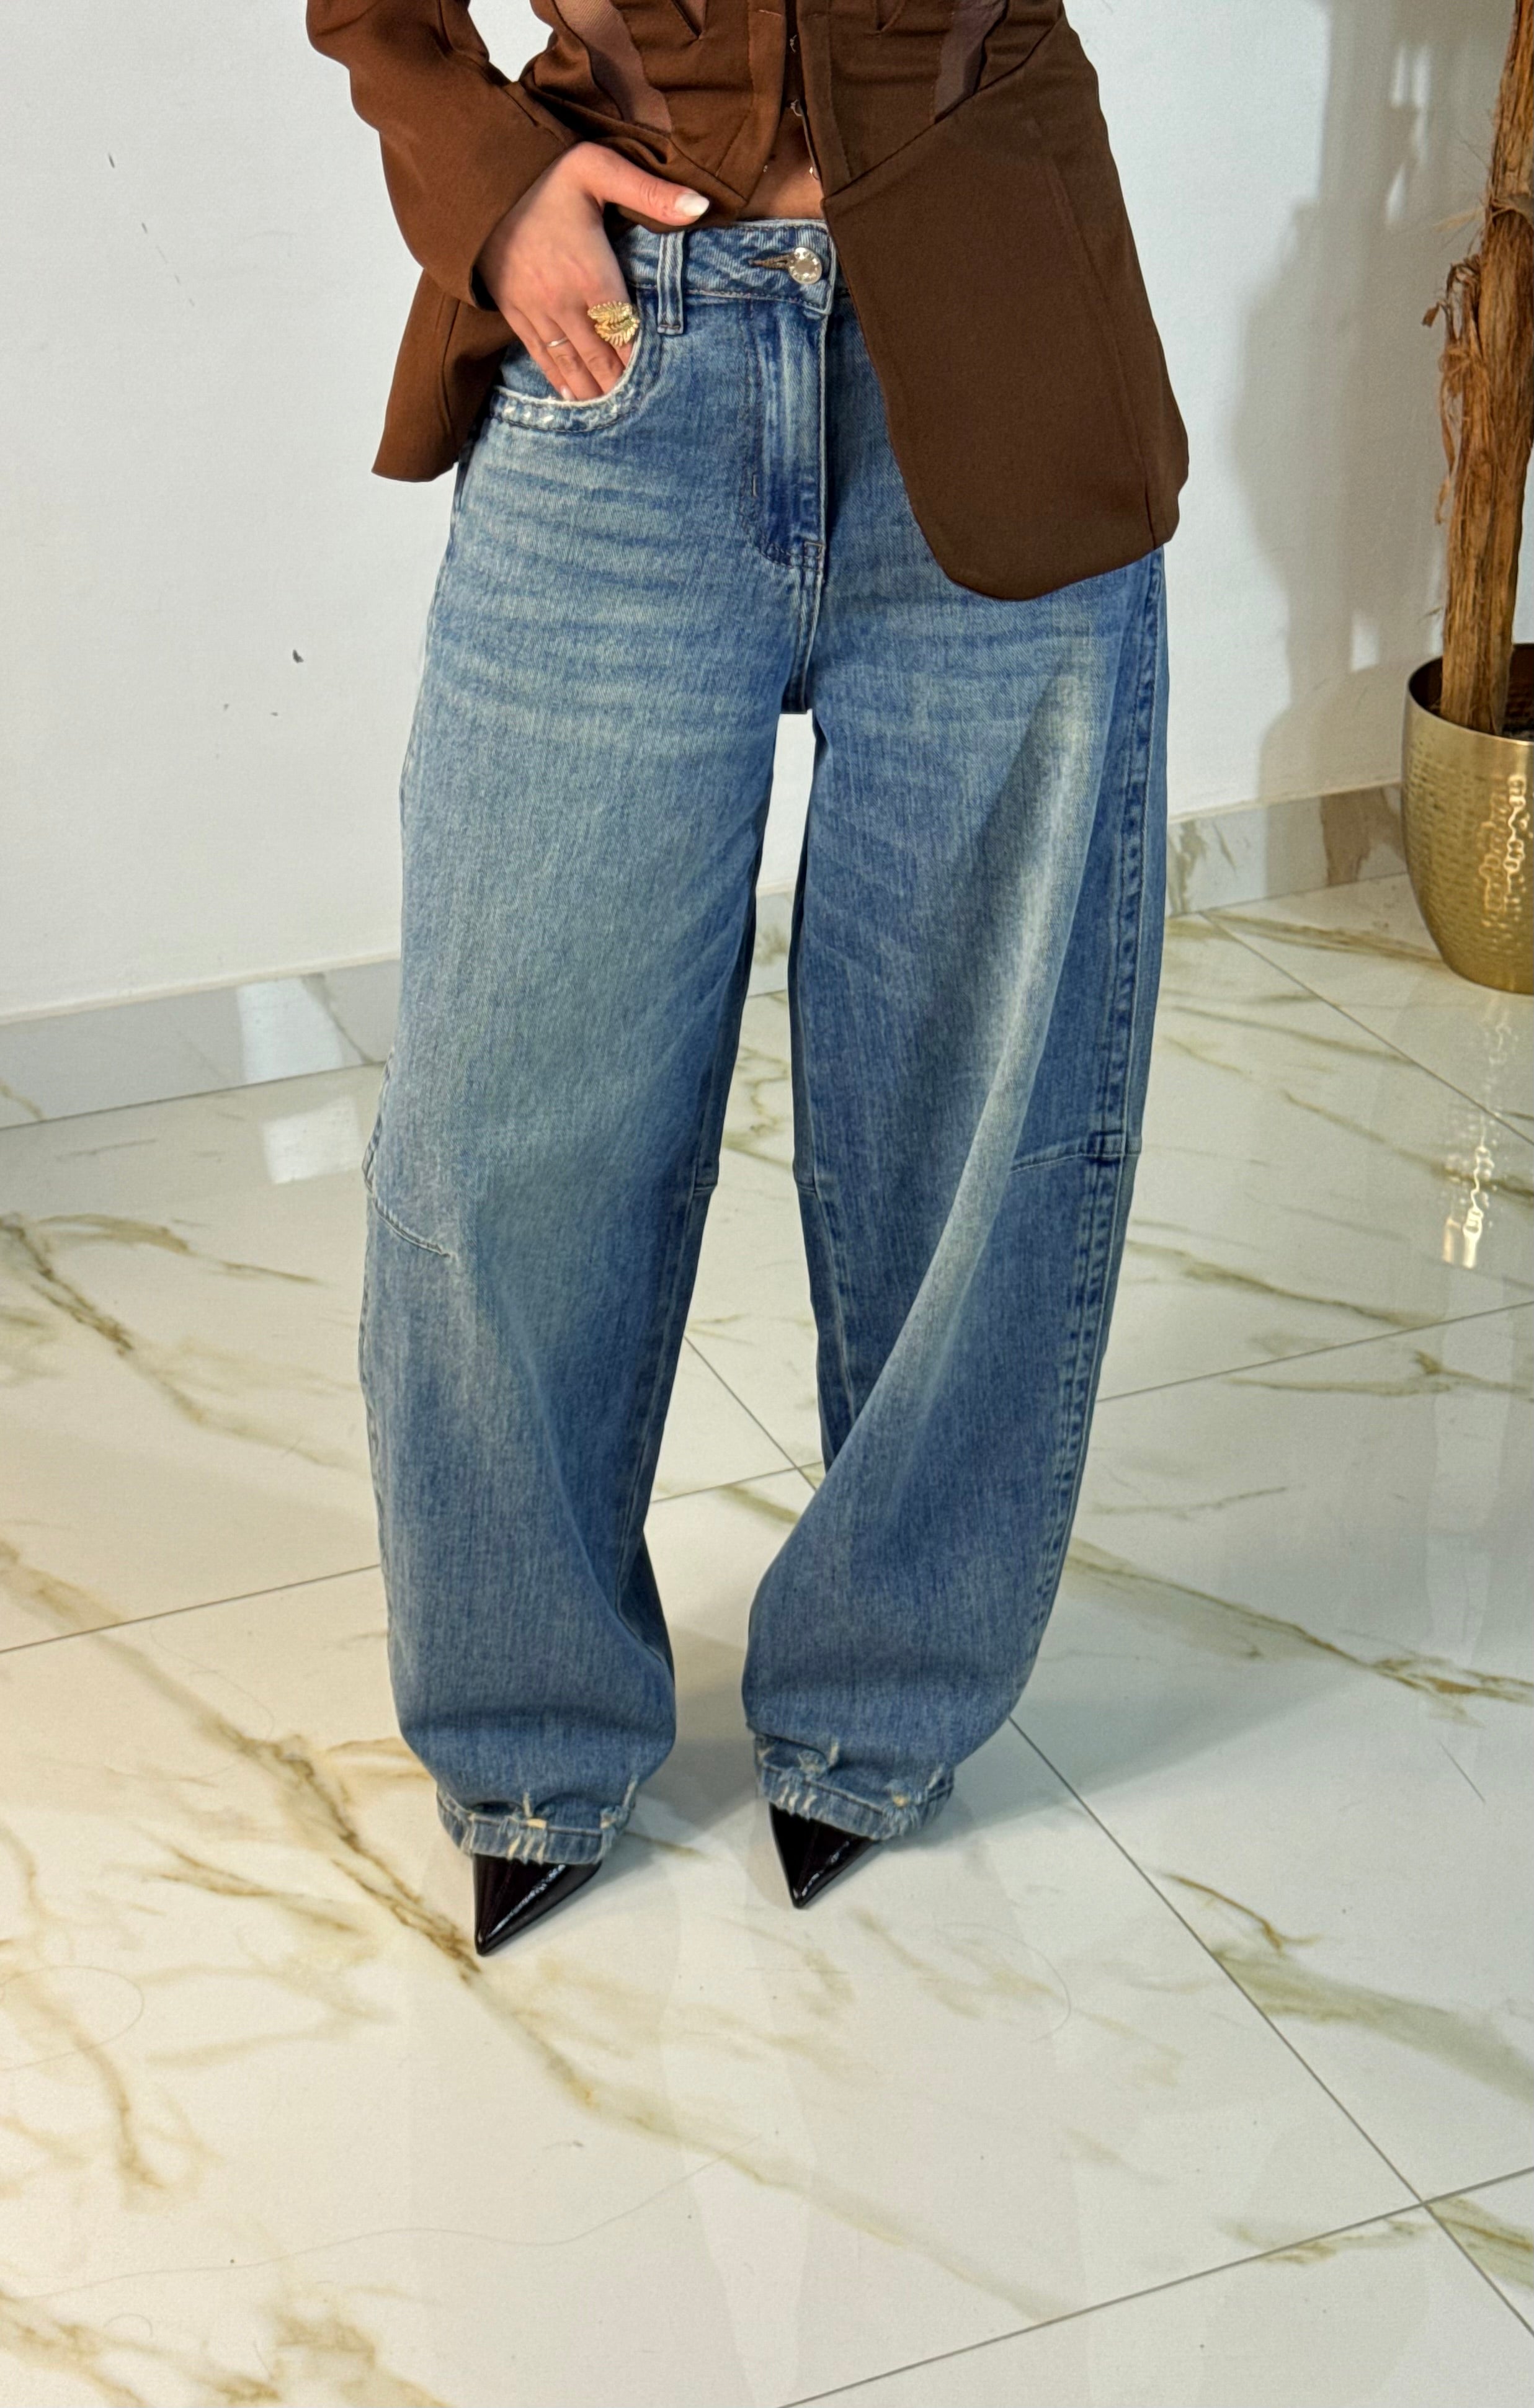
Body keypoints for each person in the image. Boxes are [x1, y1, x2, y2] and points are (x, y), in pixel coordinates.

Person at [308, 0, 1187, 1955]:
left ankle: (883, 1702)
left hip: (1001, 332)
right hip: (616, 348)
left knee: (981, 1117)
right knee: (504, 1129)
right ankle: (529, 1728)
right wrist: (487, 179)